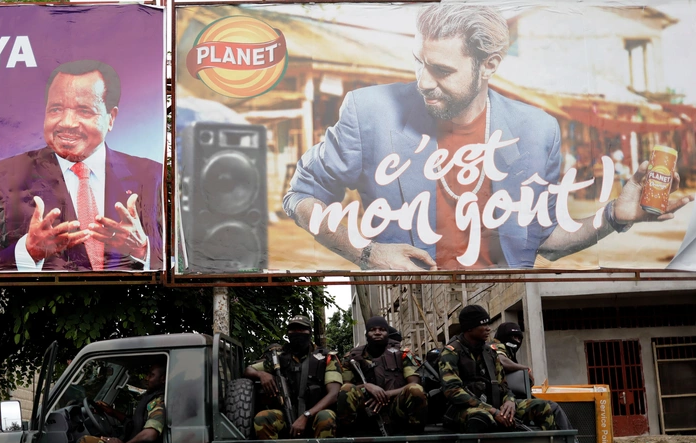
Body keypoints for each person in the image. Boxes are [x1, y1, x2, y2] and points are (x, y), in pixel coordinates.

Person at [283, 4, 691, 271]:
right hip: (401, 318)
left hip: (498, 317)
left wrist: (613, 217)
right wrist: (366, 253)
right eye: (419, 64)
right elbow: (301, 196)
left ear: (489, 65)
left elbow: (543, 239)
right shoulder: (369, 111)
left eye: (442, 71)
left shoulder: (537, 131)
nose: (424, 82)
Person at [0, 60, 163, 273]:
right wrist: (28, 252)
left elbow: (191, 260)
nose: (67, 122)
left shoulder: (150, 177)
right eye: (56, 109)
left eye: (84, 110)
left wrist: (143, 250)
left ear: (110, 118)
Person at [492, 322, 607, 443]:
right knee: (552, 409)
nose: (517, 340)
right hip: (501, 403)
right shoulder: (496, 346)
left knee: (558, 416)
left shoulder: (507, 350)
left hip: (508, 399)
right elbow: (500, 360)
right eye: (513, 336)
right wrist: (524, 369)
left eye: (519, 337)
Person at [439, 306, 556, 432]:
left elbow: (504, 387)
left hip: (495, 406)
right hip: (466, 409)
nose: (488, 328)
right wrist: (492, 411)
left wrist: (509, 402)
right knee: (481, 418)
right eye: (483, 325)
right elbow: (453, 390)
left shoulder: (490, 353)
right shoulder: (451, 353)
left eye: (488, 324)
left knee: (542, 406)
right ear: (469, 328)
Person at [246, 315, 343, 440]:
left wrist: (306, 415)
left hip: (315, 414)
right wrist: (261, 374)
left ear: (310, 332)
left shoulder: (326, 358)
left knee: (326, 417)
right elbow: (249, 369)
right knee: (262, 418)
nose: (297, 333)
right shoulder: (278, 358)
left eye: (302, 330)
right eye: (293, 330)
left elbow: (333, 394)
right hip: (286, 414)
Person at [340, 317, 428, 434]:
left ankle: (416, 438)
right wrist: (366, 386)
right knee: (346, 390)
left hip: (395, 407)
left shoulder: (402, 354)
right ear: (367, 334)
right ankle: (347, 438)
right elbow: (344, 386)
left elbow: (414, 383)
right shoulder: (352, 357)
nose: (377, 332)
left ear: (388, 333)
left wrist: (386, 395)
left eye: (382, 329)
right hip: (366, 407)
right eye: (373, 330)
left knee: (416, 390)